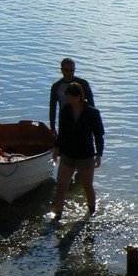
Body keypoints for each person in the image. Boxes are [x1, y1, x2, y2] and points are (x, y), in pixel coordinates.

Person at [52, 81, 104, 220]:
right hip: (68, 153)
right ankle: (57, 215)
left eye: (71, 98)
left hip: (85, 155)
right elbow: (61, 132)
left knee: (87, 186)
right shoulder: (65, 111)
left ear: (79, 97)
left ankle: (92, 211)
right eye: (67, 98)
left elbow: (98, 135)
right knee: (61, 187)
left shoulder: (92, 113)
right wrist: (56, 148)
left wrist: (99, 155)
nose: (69, 101)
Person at [49, 58, 95, 135]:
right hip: (64, 120)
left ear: (74, 69)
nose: (69, 73)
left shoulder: (83, 83)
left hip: (82, 119)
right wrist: (52, 128)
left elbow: (91, 104)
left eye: (71, 70)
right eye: (66, 70)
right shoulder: (56, 86)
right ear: (61, 70)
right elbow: (53, 107)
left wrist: (93, 123)